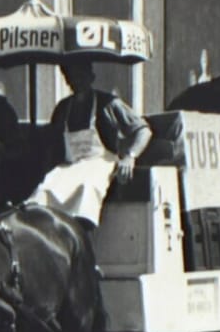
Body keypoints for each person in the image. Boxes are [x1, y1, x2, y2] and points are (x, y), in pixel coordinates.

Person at [33, 55, 150, 229]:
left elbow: (143, 131)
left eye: (80, 76)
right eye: (70, 77)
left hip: (99, 163)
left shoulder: (108, 104)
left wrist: (130, 157)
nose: (75, 81)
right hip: (71, 165)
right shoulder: (63, 108)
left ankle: (83, 239)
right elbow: (52, 142)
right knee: (44, 189)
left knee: (86, 188)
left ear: (91, 77)